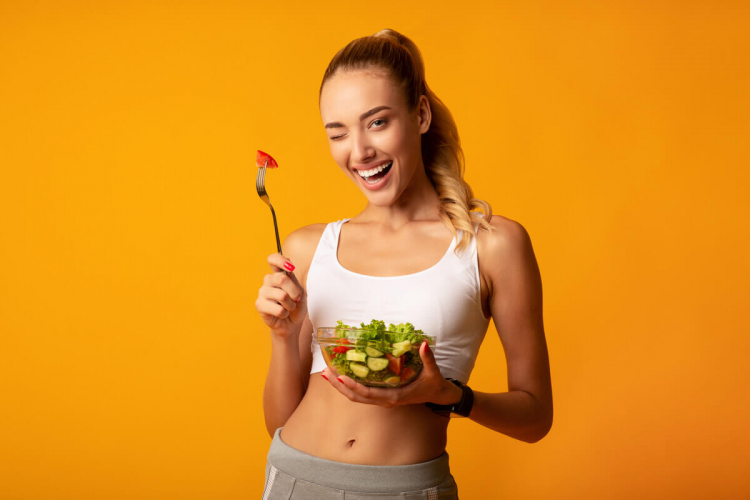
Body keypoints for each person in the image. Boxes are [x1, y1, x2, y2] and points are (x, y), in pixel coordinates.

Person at [255, 28, 553, 499]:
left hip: (405, 489)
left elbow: (535, 418)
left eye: (376, 123)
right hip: (293, 479)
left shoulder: (492, 246)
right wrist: (282, 336)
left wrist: (450, 396)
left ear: (420, 114)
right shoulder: (308, 249)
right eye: (338, 133)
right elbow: (278, 421)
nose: (359, 151)